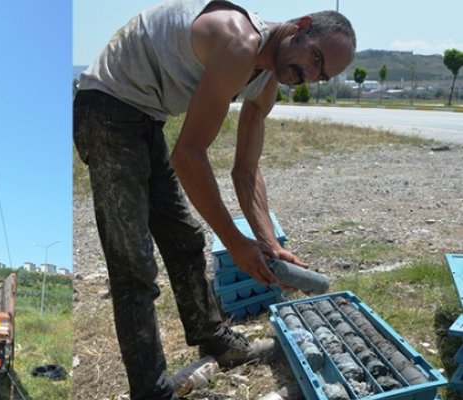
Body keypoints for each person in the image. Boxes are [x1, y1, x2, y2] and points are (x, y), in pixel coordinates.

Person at [73, 0, 356, 398]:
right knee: (133, 264)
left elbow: (246, 169)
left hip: (146, 116)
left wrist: (268, 242)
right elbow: (189, 154)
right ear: (301, 26)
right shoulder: (238, 41)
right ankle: (151, 391)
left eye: (320, 74)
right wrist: (237, 243)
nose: (308, 74)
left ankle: (215, 340)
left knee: (186, 240)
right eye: (314, 57)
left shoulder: (268, 79)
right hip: (105, 105)